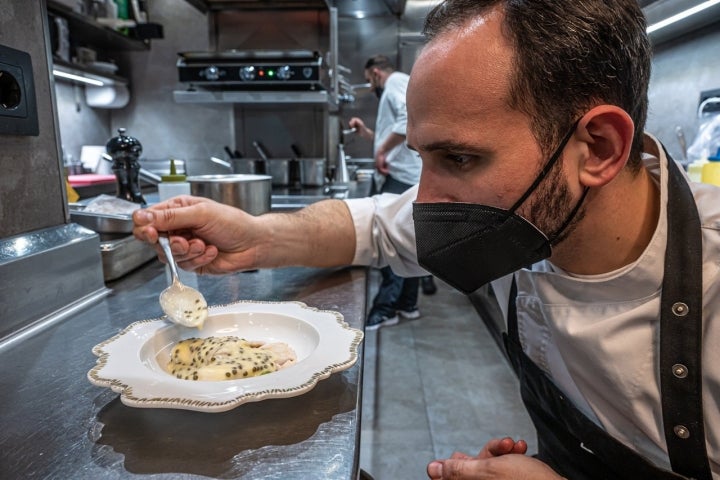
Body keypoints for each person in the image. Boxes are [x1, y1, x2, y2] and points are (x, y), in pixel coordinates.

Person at [133, 0, 720, 478]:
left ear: (598, 147)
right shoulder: (534, 215)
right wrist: (254, 235)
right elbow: (366, 229)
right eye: (423, 159)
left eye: (460, 157)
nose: (424, 201)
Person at [348, 54, 436, 330]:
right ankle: (407, 305)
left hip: (400, 177)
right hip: (404, 174)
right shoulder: (398, 86)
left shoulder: (396, 81)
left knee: (391, 243)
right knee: (408, 241)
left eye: (369, 81)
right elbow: (397, 131)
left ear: (375, 73)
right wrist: (369, 136)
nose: (371, 87)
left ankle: (385, 309)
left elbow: (407, 117)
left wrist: (383, 151)